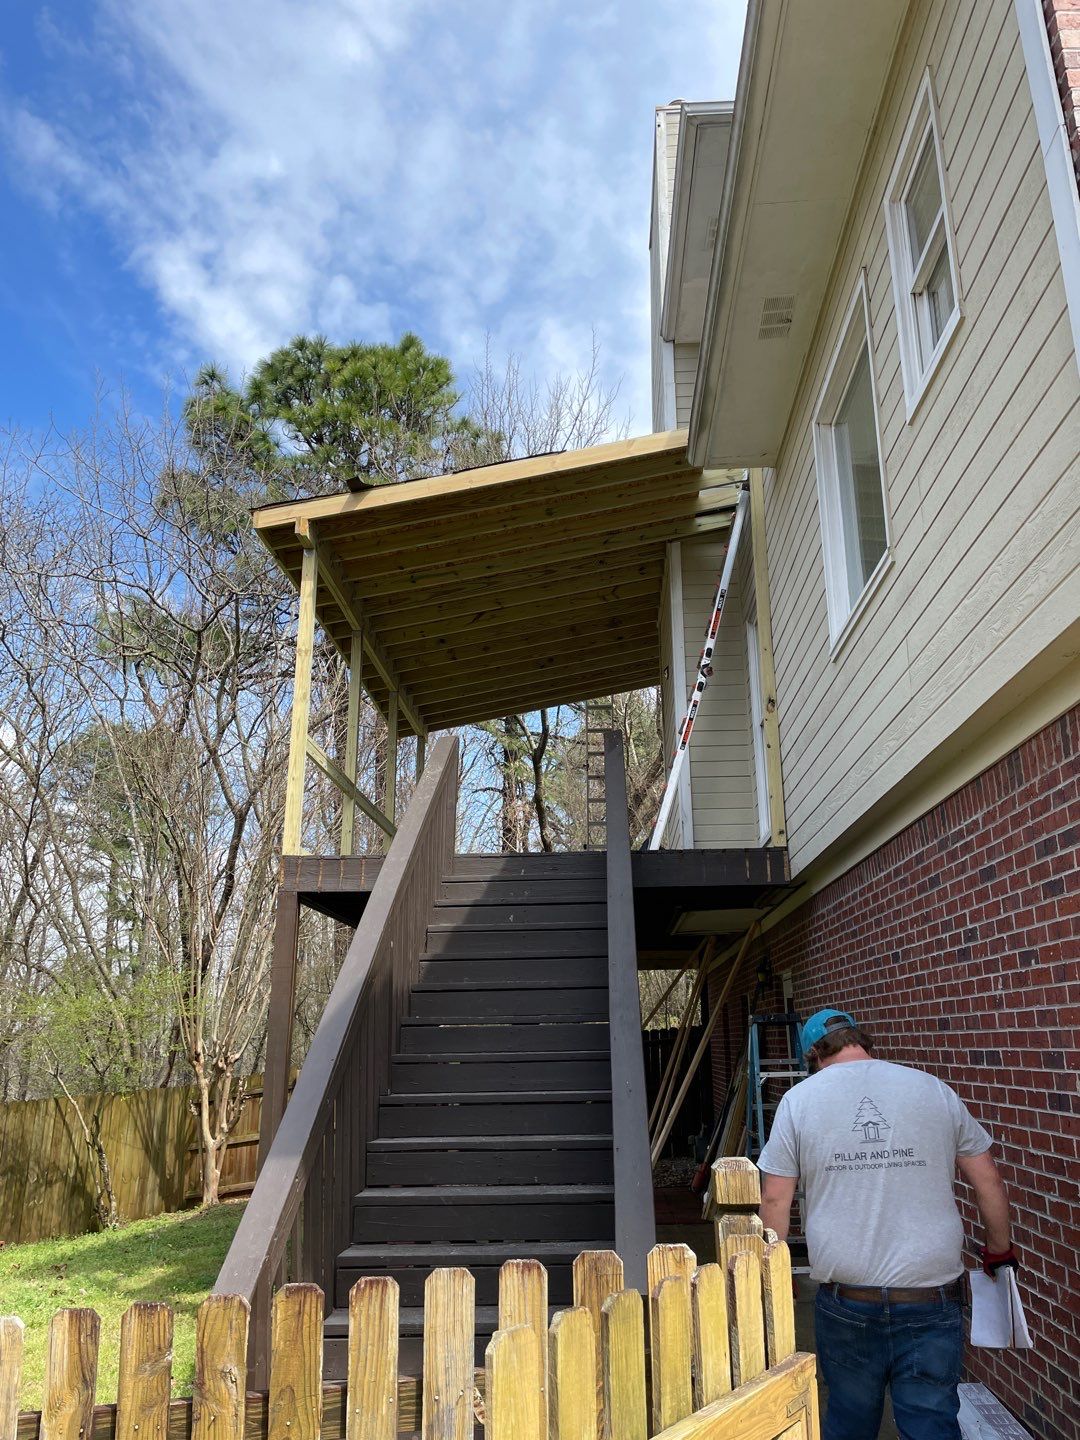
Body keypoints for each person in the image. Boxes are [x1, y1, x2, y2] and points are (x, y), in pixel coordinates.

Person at [758, 1007, 1016, 1440]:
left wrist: (774, 1271)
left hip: (847, 1301)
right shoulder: (932, 1090)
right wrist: (998, 1251)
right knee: (931, 1421)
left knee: (849, 1421)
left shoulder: (799, 1101)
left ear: (813, 1055)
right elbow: (987, 1177)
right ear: (864, 1043)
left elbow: (775, 1198)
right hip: (930, 1297)